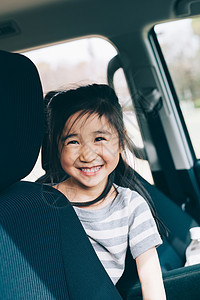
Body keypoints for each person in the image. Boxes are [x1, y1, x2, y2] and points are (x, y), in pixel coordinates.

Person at [43, 84, 166, 299]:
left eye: (99, 139)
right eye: (73, 141)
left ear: (120, 141)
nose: (87, 155)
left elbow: (152, 282)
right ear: (57, 146)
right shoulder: (44, 204)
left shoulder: (131, 205)